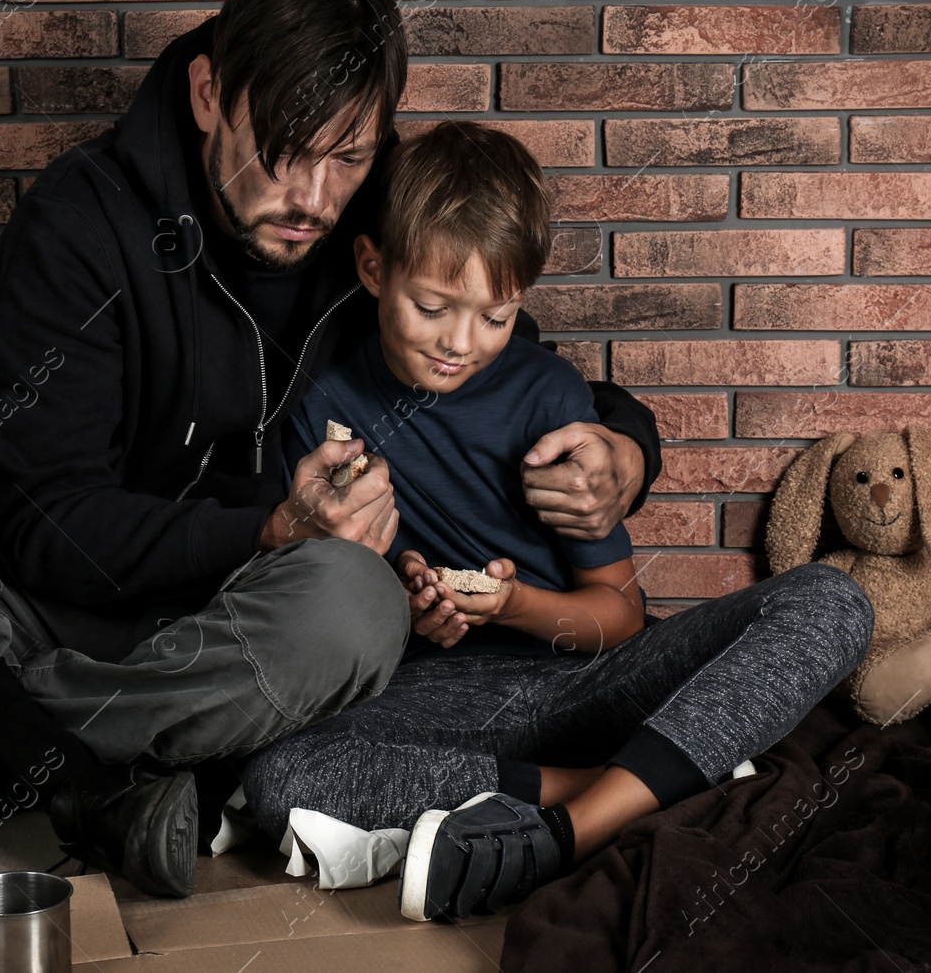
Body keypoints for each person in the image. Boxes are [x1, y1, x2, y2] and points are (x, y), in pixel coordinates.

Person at [0, 0, 661, 901]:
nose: (313, 199)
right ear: (207, 95)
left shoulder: (379, 211)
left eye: (348, 157)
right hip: (37, 601)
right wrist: (266, 524)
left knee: (357, 602)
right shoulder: (77, 222)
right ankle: (77, 776)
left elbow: (499, 350)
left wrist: (623, 442)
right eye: (282, 149)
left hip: (239, 636)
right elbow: (42, 524)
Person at [237, 121, 876, 922]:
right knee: (283, 777)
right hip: (437, 703)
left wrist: (512, 606)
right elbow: (318, 605)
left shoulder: (549, 403)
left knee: (832, 600)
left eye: (496, 316)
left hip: (586, 679)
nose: (459, 344)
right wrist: (402, 604)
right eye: (431, 306)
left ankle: (565, 832)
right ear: (373, 267)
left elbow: (618, 615)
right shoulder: (322, 408)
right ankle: (645, 785)